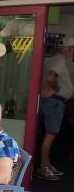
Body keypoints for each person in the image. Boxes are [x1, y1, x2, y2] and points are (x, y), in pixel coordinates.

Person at [37, 35, 74, 180]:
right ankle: (43, 168)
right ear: (69, 48)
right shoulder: (59, 59)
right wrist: (55, 89)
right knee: (50, 136)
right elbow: (50, 78)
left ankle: (47, 164)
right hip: (55, 102)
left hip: (53, 102)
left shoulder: (55, 59)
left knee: (49, 135)